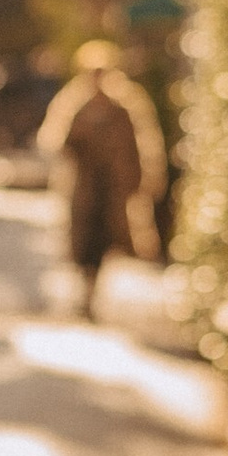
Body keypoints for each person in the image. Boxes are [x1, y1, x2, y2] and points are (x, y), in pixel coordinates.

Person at [38, 40, 167, 318]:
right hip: (85, 187)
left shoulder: (126, 105)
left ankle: (96, 290)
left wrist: (144, 181)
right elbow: (54, 141)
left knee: (111, 239)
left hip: (113, 188)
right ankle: (87, 291)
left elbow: (144, 145)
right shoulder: (74, 103)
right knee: (84, 242)